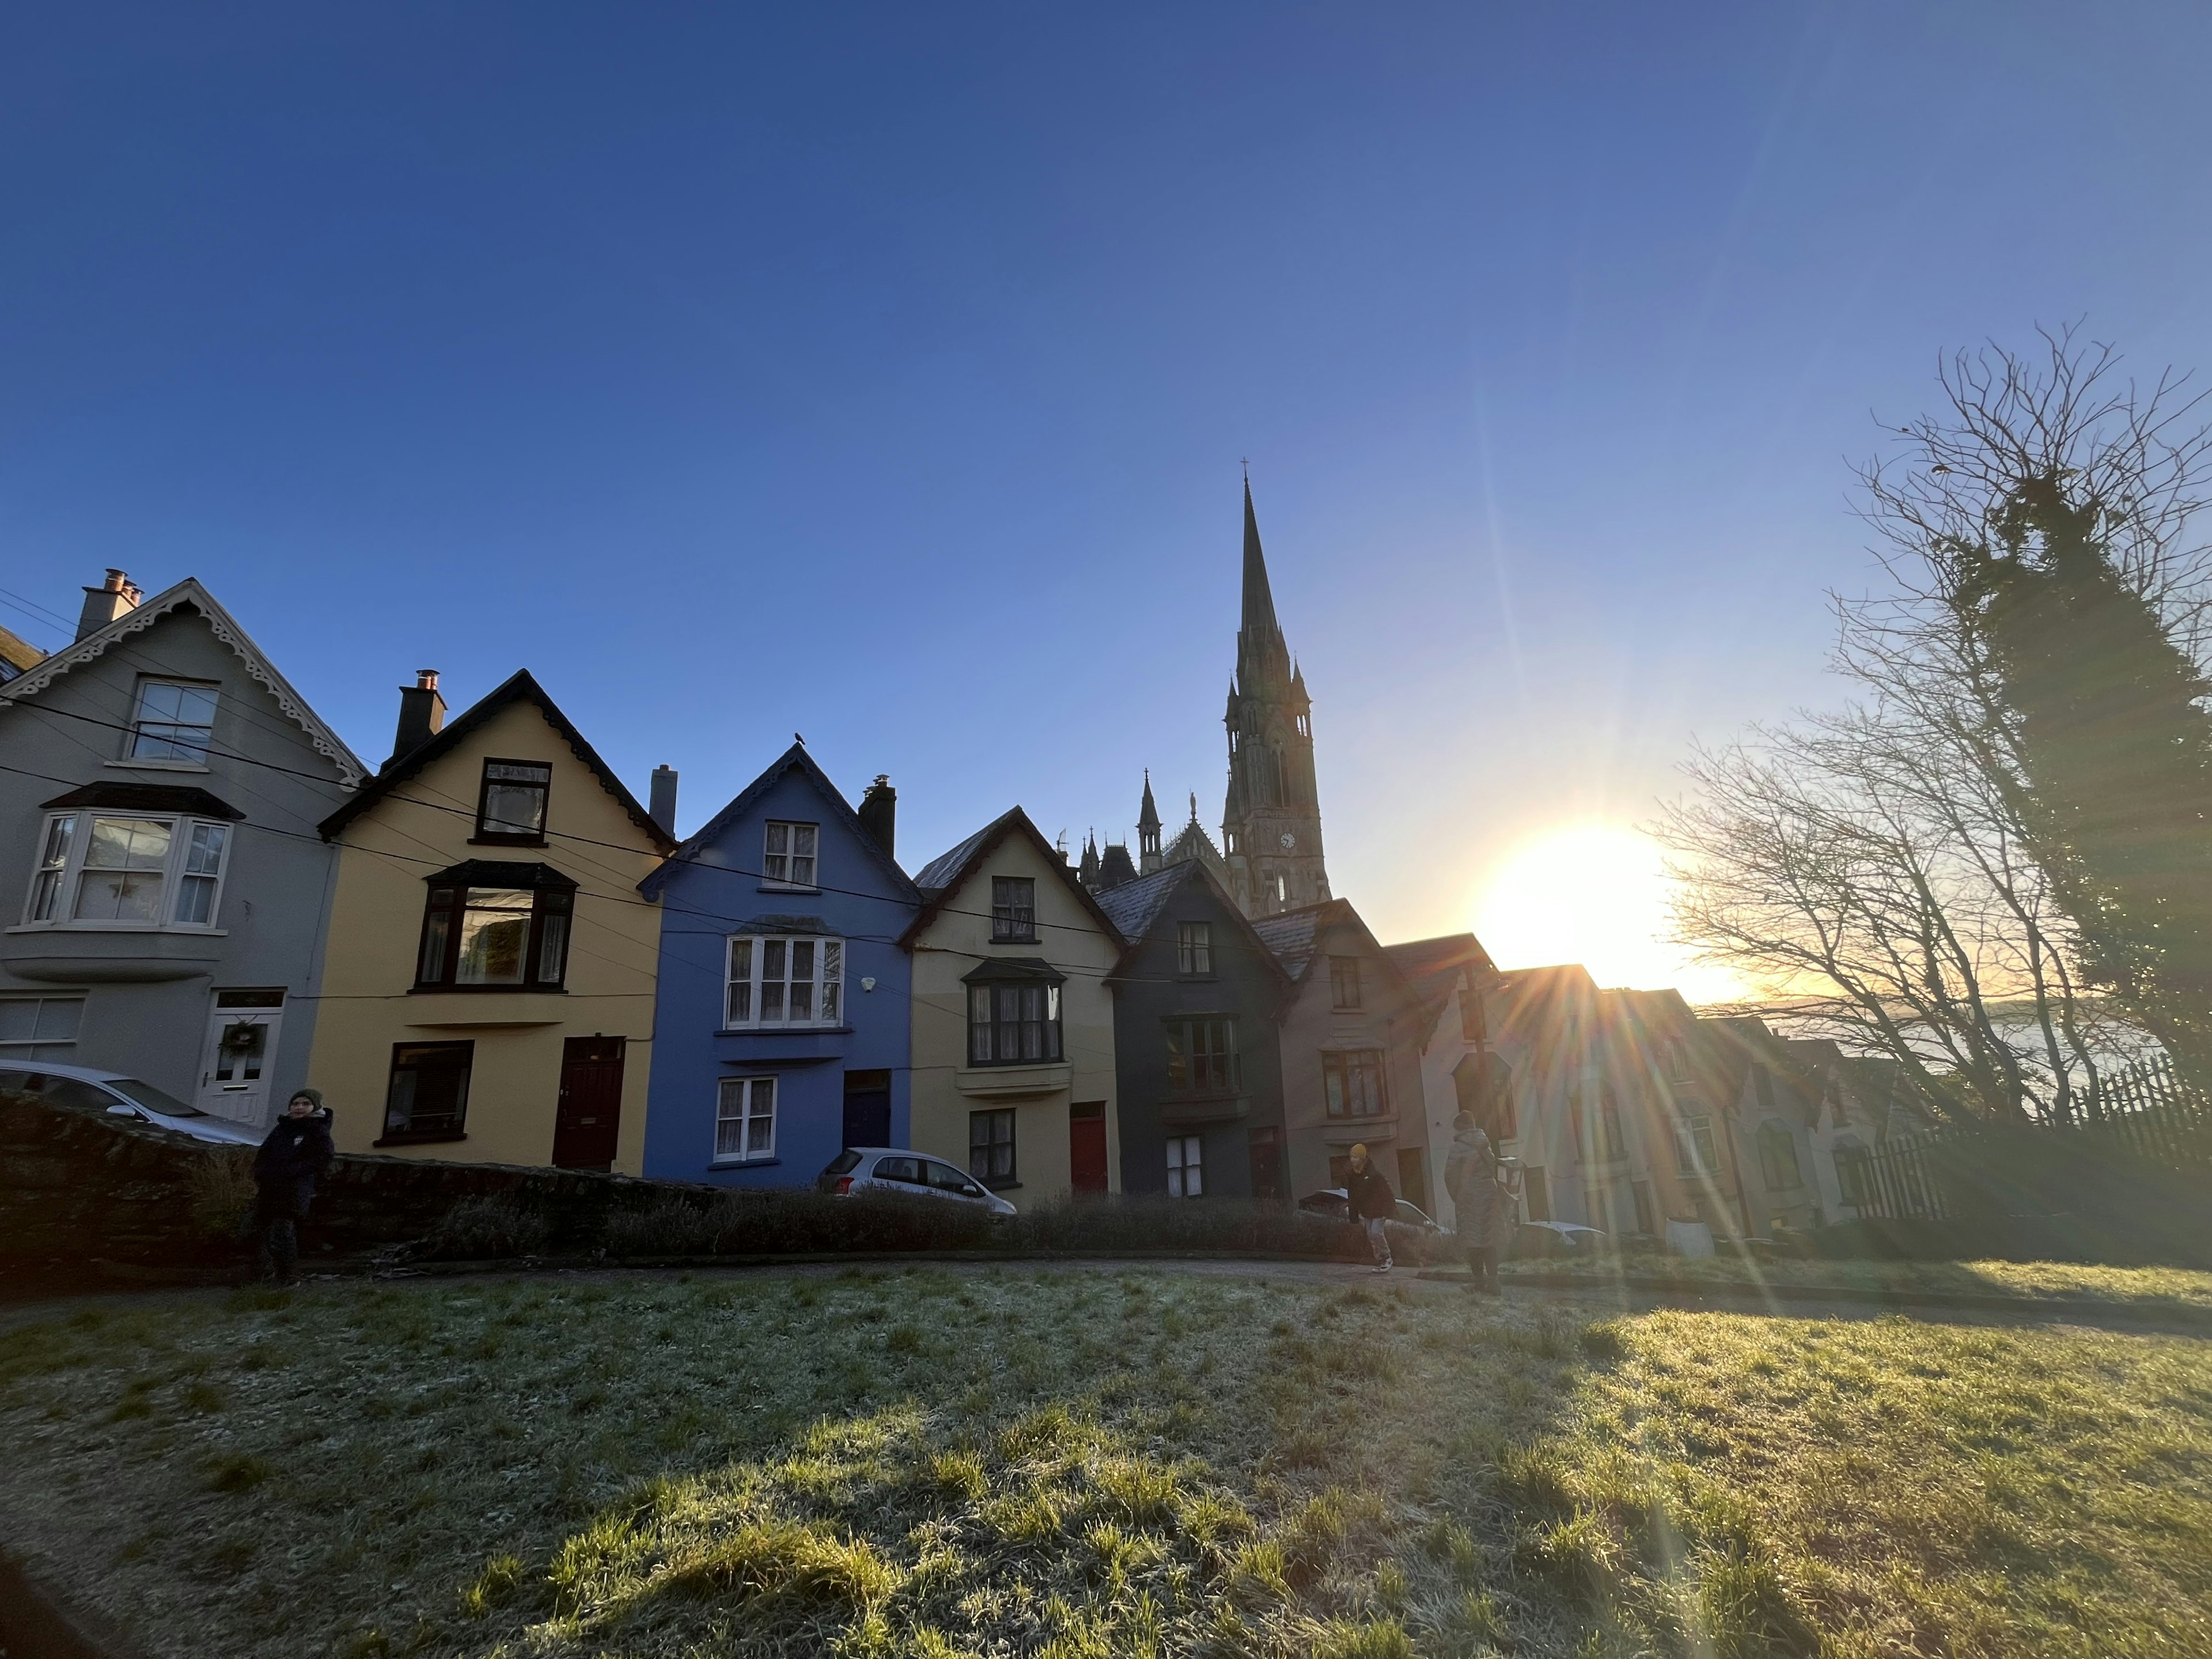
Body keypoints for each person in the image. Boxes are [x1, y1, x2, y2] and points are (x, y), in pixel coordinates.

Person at [251, 1088, 334, 1283]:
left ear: (315, 1107)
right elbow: (264, 1153)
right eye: (296, 1104)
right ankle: (264, 1275)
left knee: (283, 1232)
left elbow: (322, 1158)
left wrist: (293, 1170)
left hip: (295, 1190)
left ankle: (287, 1275)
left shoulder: (317, 1130)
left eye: (305, 1104)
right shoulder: (282, 1129)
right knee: (260, 1231)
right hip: (271, 1187)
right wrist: (262, 1172)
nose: (299, 1108)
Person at [1444, 1111, 1501, 1294]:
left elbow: (1450, 1176)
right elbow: (1492, 1166)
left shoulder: (1458, 1148)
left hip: (1468, 1198)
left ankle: (1478, 1283)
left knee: (1473, 1242)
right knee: (1489, 1240)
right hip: (1489, 1195)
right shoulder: (1485, 1144)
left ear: (1459, 1128)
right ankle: (1493, 1282)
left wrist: (1458, 1195)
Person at [1343, 1143, 1397, 1273]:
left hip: (1378, 1210)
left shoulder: (1373, 1174)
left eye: (1355, 1157)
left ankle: (1387, 1258)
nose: (1353, 1160)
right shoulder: (1352, 1176)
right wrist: (1354, 1218)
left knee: (1376, 1233)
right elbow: (1353, 1197)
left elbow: (1386, 1193)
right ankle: (1380, 1260)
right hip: (1367, 1212)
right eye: (1352, 1157)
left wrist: (1387, 1211)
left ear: (1362, 1158)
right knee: (1371, 1236)